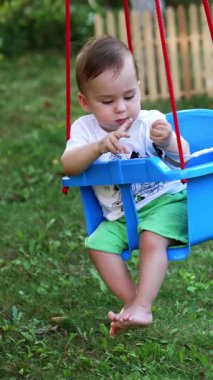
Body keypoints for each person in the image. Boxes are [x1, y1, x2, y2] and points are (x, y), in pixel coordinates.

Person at [61, 36, 190, 337]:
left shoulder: (150, 122)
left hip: (165, 204)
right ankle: (132, 303)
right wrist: (96, 147)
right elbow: (69, 164)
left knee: (151, 238)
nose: (121, 108)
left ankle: (143, 306)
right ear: (85, 101)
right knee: (97, 245)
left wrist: (168, 141)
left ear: (140, 89)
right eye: (107, 101)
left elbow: (183, 155)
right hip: (119, 217)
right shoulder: (84, 130)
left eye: (129, 96)